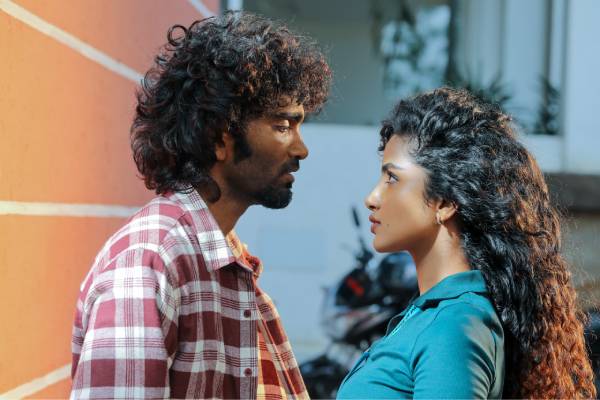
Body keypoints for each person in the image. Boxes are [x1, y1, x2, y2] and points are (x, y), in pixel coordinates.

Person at [70, 11, 331, 399]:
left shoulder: (223, 255)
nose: (301, 149)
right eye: (282, 126)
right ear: (220, 138)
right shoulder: (149, 263)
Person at [336, 87, 596, 399]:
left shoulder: (455, 326)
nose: (372, 197)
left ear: (444, 203)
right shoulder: (433, 313)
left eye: (392, 179)